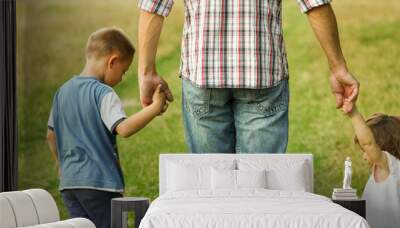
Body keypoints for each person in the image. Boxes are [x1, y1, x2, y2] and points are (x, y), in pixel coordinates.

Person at [136, 0, 359, 153]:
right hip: (263, 72)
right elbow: (315, 3)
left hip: (203, 72)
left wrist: (146, 73)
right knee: (260, 191)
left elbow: (154, 6)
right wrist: (337, 67)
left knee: (211, 190)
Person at [46, 27, 168, 228]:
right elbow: (124, 128)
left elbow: (51, 136)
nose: (122, 78)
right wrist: (155, 108)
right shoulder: (103, 93)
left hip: (69, 185)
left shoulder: (62, 92)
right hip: (99, 184)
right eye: (123, 71)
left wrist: (60, 165)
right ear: (112, 61)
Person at [343, 102, 400, 228]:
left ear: (383, 147)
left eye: (365, 151)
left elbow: (368, 143)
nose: (364, 156)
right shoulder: (383, 169)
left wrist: (354, 113)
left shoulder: (390, 167)